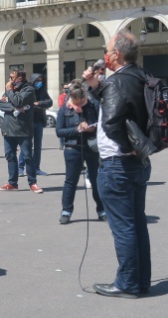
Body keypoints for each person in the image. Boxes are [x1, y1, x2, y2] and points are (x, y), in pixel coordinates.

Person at [83, 29, 151, 299]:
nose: (104, 56)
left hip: (117, 164)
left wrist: (121, 145)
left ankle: (127, 283)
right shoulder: (141, 76)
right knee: (137, 224)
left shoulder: (117, 81)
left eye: (107, 51)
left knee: (123, 227)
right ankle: (140, 280)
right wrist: (96, 87)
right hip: (138, 161)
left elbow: (111, 121)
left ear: (117, 55)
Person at [55, 80, 105, 225]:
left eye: (82, 100)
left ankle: (101, 210)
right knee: (71, 181)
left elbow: (101, 124)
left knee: (96, 180)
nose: (80, 104)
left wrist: (92, 128)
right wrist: (76, 129)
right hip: (73, 148)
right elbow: (59, 131)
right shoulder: (65, 109)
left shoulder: (92, 105)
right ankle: (66, 211)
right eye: (77, 102)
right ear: (71, 98)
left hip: (91, 147)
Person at [0, 70, 43, 193]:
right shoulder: (9, 89)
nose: (10, 80)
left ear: (19, 79)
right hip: (8, 128)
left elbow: (18, 100)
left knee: (28, 156)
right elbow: (1, 104)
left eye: (12, 77)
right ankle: (12, 183)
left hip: (23, 129)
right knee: (10, 156)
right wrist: (14, 108)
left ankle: (32, 183)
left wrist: (11, 92)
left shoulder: (29, 90)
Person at [18, 74, 53, 177]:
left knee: (38, 146)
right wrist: (33, 105)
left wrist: (39, 103)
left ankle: (36, 168)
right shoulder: (28, 89)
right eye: (37, 80)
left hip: (38, 121)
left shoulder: (42, 90)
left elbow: (49, 102)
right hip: (29, 121)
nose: (39, 82)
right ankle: (20, 168)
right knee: (26, 145)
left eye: (41, 80)